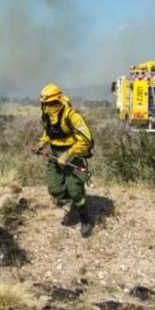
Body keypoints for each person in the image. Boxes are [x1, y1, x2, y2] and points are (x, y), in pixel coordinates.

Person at [33, 83, 95, 237]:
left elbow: (86, 139)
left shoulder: (72, 116)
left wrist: (68, 154)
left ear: (57, 101)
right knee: (54, 189)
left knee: (75, 190)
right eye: (44, 104)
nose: (47, 107)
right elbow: (49, 133)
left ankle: (85, 219)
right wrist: (41, 143)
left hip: (73, 154)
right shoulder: (47, 115)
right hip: (55, 153)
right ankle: (71, 198)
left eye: (49, 104)